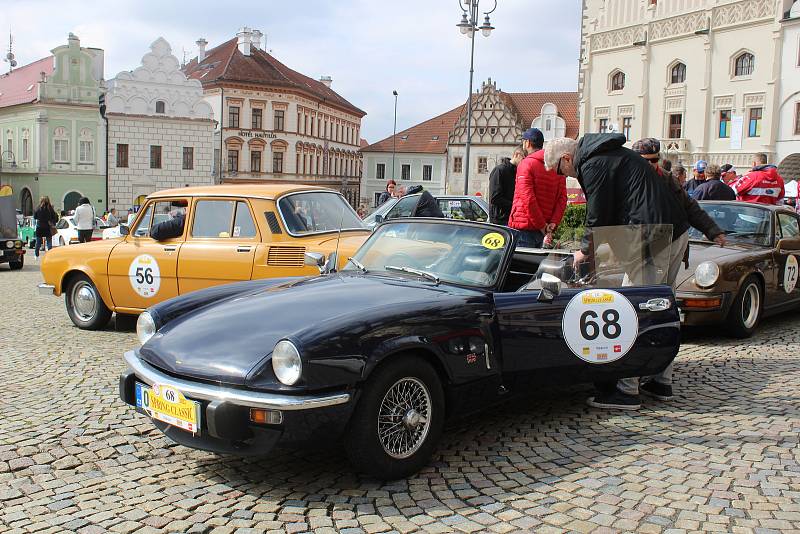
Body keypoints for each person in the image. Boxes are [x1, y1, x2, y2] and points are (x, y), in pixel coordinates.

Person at [546, 134, 726, 409]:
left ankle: (627, 390)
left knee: (632, 308)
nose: (564, 177)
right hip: (672, 233)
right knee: (662, 307)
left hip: (650, 237)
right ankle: (660, 379)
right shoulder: (611, 155)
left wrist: (585, 249)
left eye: (560, 171)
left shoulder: (593, 163)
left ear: (567, 158)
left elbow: (598, 214)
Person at [508, 128, 567, 248]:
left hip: (525, 228)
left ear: (528, 143)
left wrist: (541, 225)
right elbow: (562, 199)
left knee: (520, 265)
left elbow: (528, 199)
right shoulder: (556, 167)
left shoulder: (526, 164)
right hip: (545, 230)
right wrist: (552, 224)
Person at [489, 148, 525, 225]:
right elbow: (495, 198)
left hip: (512, 218)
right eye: (524, 159)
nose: (525, 162)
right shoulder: (499, 170)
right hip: (499, 220)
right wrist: (515, 205)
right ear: (517, 155)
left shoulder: (518, 172)